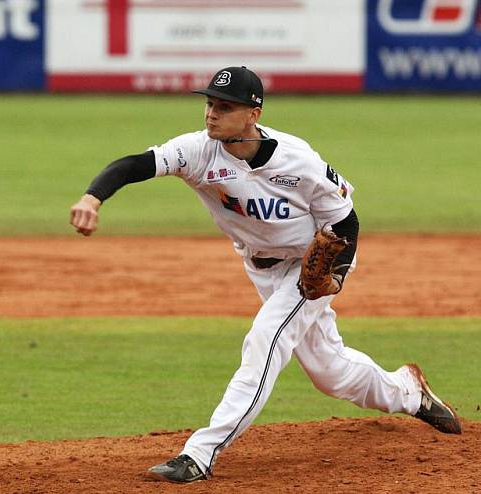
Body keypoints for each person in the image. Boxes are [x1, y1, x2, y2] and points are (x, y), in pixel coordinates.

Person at [69, 66, 462, 484]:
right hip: (260, 267)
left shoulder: (299, 160)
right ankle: (407, 391)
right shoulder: (198, 151)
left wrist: (335, 278)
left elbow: (345, 223)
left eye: (224, 107)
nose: (211, 114)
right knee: (331, 374)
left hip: (310, 267)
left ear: (253, 114)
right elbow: (134, 164)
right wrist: (93, 198)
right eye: (209, 103)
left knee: (265, 340)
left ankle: (199, 455)